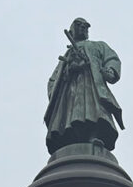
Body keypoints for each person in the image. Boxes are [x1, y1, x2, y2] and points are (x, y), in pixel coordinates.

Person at [44, 18, 125, 155]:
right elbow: (53, 80)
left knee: (95, 110)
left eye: (85, 26)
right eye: (78, 25)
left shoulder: (97, 46)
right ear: (71, 31)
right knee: (69, 115)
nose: (83, 27)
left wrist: (110, 71)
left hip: (92, 85)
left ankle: (94, 136)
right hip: (69, 90)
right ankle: (70, 140)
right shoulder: (67, 55)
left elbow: (112, 59)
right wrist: (67, 71)